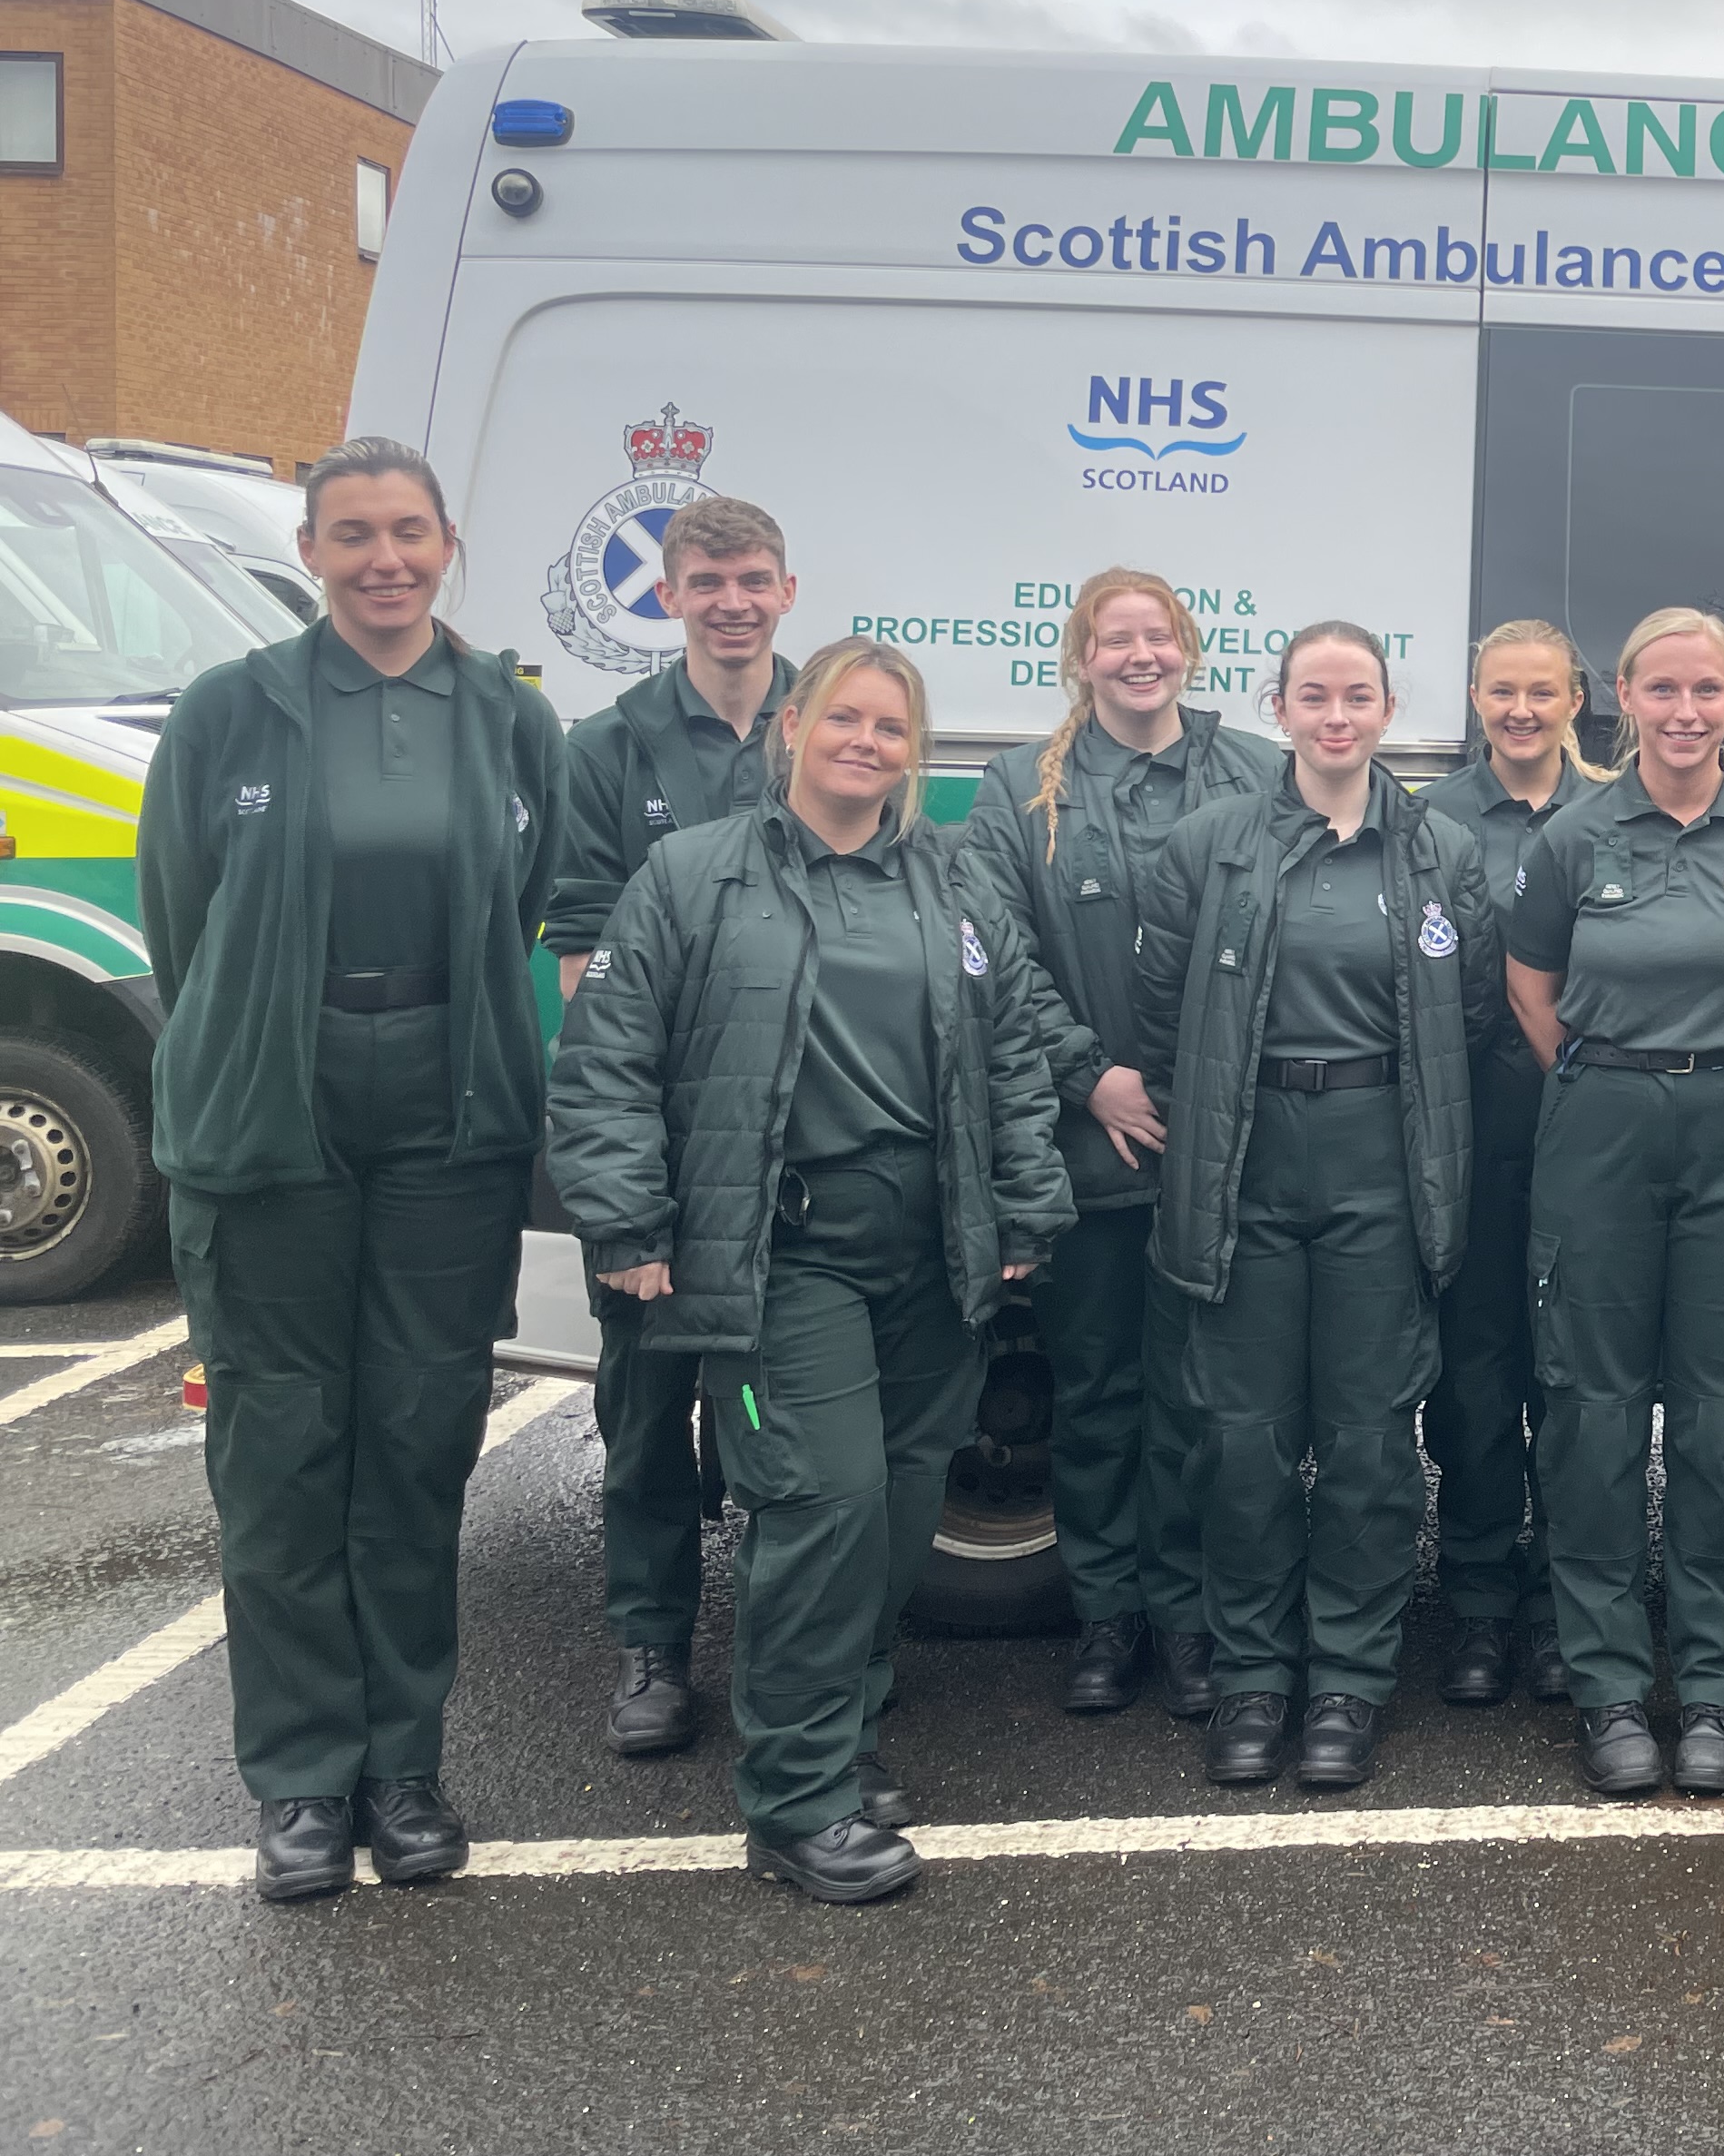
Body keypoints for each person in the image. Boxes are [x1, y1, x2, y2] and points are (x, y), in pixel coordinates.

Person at [547, 637, 1071, 1905]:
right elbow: (606, 1058)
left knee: (896, 1515)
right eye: (847, 719)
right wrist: (626, 1223)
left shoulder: (948, 883)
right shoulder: (693, 876)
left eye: (893, 729)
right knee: (821, 1506)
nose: (868, 744)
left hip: (930, 1249)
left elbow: (1009, 1056)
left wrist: (1025, 1207)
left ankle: (842, 1735)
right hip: (785, 1252)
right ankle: (792, 1799)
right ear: (793, 725)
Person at [138, 437, 565, 1903]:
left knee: (417, 1441)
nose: (384, 557)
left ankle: (406, 1764)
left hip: (446, 1114)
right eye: (353, 534)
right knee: (280, 1451)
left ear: (449, 543)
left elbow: (517, 907)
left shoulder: (511, 719)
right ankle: (305, 1779)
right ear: (311, 553)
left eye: (408, 531)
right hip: (273, 1110)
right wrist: (268, 1047)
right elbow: (183, 926)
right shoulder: (230, 712)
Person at [1131, 623, 1496, 1792]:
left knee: (1368, 1443)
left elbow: (1473, 1015)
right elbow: (1159, 1015)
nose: (1336, 718)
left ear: (1390, 711)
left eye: (1358, 697)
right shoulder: (1208, 846)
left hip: (1381, 1159)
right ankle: (1251, 1678)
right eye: (1313, 697)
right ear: (1276, 707)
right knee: (1242, 1441)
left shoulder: (1443, 853)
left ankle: (1346, 1680)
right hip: (1244, 1157)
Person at [1502, 607, 1724, 1801]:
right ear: (1626, 701)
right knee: (1592, 1417)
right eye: (1664, 690)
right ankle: (1606, 1691)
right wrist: (1618, 1082)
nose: (1686, 712)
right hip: (1599, 1125)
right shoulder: (1576, 835)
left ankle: (1709, 1695)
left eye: (1708, 691)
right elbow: (1531, 986)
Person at [959, 569, 1277, 1725]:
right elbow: (991, 949)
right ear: (1080, 658)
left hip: (1220, 1144)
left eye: (1158, 637)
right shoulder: (1015, 790)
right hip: (1090, 1147)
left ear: (1191, 650)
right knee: (1096, 1392)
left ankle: (1191, 1623)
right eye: (1114, 639)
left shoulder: (1258, 773)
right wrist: (1092, 1076)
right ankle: (1107, 1617)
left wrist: (1201, 1088)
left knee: (1200, 1400)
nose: (1139, 656)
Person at [544, 492, 802, 1761]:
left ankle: (782, 1648)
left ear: (787, 591)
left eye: (753, 579)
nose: (733, 601)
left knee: (770, 1414)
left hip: (791, 1140)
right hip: (656, 1129)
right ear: (672, 595)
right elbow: (582, 963)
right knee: (644, 1414)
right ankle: (651, 1650)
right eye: (708, 582)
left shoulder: (831, 718)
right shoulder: (611, 745)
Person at [1414, 621, 1601, 1709]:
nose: (1521, 711)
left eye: (1542, 691)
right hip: (1473, 1132)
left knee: (1573, 1377)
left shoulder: (1617, 814)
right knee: (1477, 1376)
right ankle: (1480, 1599)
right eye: (1501, 693)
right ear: (1474, 700)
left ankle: (1557, 1607)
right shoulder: (1426, 821)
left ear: (1577, 697)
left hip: (1595, 1139)